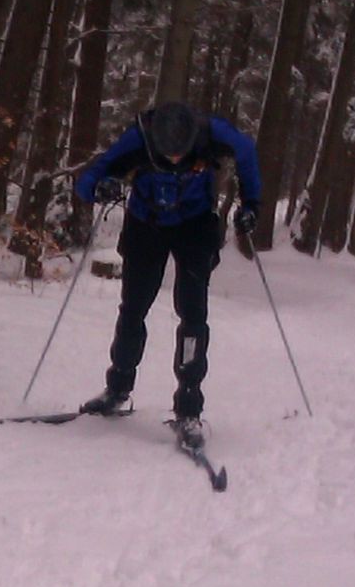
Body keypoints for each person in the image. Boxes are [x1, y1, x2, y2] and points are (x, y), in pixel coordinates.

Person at [73, 99, 261, 449]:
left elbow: (247, 152)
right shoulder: (139, 136)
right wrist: (101, 187)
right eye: (167, 155)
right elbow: (91, 177)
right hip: (145, 223)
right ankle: (117, 389)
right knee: (133, 308)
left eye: (181, 155)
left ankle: (188, 409)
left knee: (193, 315)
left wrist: (251, 204)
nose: (174, 160)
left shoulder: (212, 133)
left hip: (195, 224)